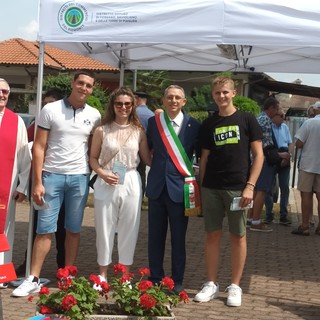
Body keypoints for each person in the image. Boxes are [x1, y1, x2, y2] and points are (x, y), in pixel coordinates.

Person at [12, 70, 101, 297]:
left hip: (79, 178)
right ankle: (33, 277)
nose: (84, 88)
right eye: (80, 83)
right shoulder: (50, 109)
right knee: (44, 230)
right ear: (73, 83)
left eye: (89, 85)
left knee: (73, 230)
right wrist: (38, 182)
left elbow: (94, 149)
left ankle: (67, 276)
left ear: (92, 89)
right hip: (51, 176)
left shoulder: (95, 114)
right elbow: (39, 147)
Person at [193, 76, 263, 307]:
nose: (221, 96)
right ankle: (211, 283)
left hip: (238, 190)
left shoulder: (247, 119)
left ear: (234, 93)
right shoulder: (209, 124)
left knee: (238, 236)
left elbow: (259, 156)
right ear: (213, 95)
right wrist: (201, 188)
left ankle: (235, 285)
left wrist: (250, 187)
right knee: (212, 235)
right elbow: (204, 159)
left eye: (225, 92)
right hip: (211, 187)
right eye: (217, 93)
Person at [89, 87, 151, 286]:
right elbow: (92, 158)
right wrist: (101, 173)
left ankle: (125, 275)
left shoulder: (138, 131)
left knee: (129, 228)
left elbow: (147, 159)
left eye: (127, 104)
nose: (123, 107)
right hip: (106, 179)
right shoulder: (101, 130)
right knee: (104, 228)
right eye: (119, 104)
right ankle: (103, 274)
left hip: (131, 180)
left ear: (133, 106)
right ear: (113, 106)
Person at [146, 85, 200, 293]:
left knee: (178, 239)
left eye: (178, 98)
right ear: (163, 100)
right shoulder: (153, 123)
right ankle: (155, 277)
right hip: (157, 188)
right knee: (155, 237)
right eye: (169, 97)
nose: (173, 101)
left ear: (184, 102)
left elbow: (200, 156)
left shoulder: (194, 125)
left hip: (180, 189)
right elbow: (147, 148)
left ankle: (177, 280)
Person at [15, 89, 66, 277]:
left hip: (61, 180)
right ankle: (29, 265)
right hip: (39, 182)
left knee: (62, 229)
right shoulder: (36, 125)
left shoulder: (65, 123)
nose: (46, 106)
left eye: (50, 103)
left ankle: (63, 268)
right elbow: (23, 147)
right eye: (44, 102)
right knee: (38, 227)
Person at [0, 78, 31, 288]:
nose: (2, 94)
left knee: (5, 228)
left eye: (5, 91)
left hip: (6, 184)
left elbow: (24, 156)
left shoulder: (16, 121)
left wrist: (22, 186)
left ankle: (2, 274)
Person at [247, 96, 279, 232]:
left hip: (254, 160)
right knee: (262, 191)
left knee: (254, 190)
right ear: (271, 108)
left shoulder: (258, 118)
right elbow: (264, 142)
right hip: (263, 161)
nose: (277, 113)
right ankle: (256, 221)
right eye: (276, 109)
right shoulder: (265, 120)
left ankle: (250, 218)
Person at [292, 101, 320, 236]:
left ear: (315, 110)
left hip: (308, 164)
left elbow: (299, 143)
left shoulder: (309, 123)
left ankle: (305, 226)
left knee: (306, 195)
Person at [264, 110, 293, 225]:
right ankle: (269, 214)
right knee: (268, 187)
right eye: (281, 116)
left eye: (284, 116)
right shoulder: (268, 128)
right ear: (274, 116)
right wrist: (278, 156)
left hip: (285, 155)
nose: (283, 118)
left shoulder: (285, 127)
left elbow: (290, 143)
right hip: (273, 157)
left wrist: (288, 156)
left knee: (285, 187)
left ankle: (283, 215)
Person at [134, 91, 154, 197]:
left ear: (136, 98)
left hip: (132, 150)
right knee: (142, 174)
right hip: (146, 150)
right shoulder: (152, 115)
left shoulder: (133, 113)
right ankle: (140, 199)